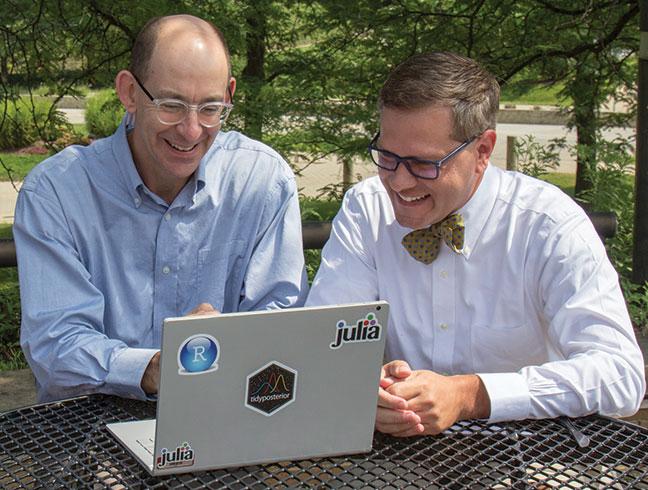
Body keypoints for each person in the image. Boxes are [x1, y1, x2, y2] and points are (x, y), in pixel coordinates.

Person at [306, 51, 645, 435]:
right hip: (401, 459)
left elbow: (621, 375)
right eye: (387, 156)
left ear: (482, 151)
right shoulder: (367, 209)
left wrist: (471, 395)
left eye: (423, 163)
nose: (398, 182)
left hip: (531, 457)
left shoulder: (548, 224)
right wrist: (368, 382)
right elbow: (325, 343)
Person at [14, 15, 308, 402]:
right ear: (129, 92)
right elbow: (56, 348)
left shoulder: (263, 180)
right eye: (171, 105)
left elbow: (283, 325)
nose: (190, 130)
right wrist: (155, 367)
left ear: (229, 94)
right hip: (90, 437)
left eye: (209, 108)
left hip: (223, 425)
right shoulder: (57, 192)